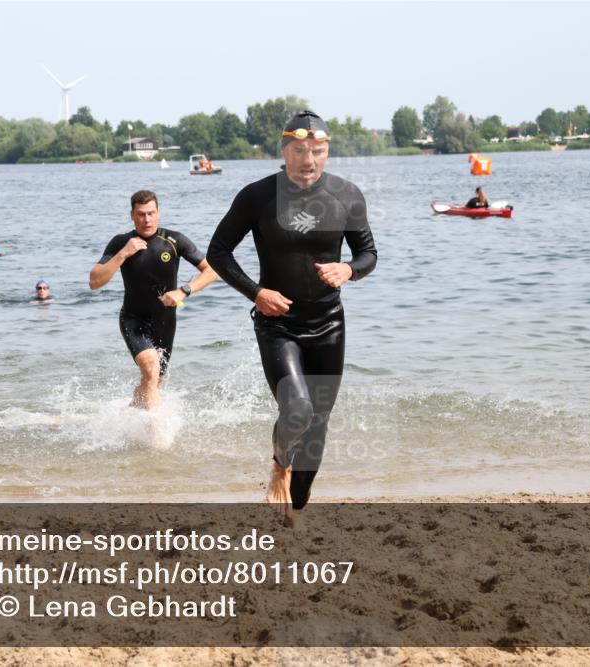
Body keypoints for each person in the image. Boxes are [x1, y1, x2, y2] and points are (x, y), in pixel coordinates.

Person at [207, 110, 377, 524]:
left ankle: (295, 513)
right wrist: (257, 292)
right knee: (298, 410)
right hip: (278, 325)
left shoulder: (347, 195)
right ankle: (279, 466)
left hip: (329, 324)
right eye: (299, 151)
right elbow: (218, 252)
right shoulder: (258, 196)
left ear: (327, 151)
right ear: (284, 151)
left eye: (317, 151)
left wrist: (349, 270)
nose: (309, 160)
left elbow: (368, 253)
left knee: (318, 426)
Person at [89, 190, 217, 409]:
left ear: (158, 213)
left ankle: (130, 413)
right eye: (140, 214)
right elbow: (94, 281)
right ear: (132, 215)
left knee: (155, 381)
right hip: (133, 318)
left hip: (165, 321)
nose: (146, 219)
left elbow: (211, 271)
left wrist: (184, 291)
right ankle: (157, 433)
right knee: (150, 366)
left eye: (150, 213)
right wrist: (123, 254)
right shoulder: (121, 242)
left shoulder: (174, 240)